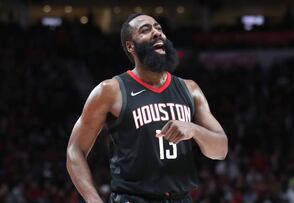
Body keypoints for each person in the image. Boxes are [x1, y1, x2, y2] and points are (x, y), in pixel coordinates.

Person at [66, 13, 228, 203]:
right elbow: (75, 150)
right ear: (130, 46)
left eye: (159, 28)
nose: (157, 33)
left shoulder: (190, 89)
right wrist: (94, 200)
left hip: (181, 198)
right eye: (146, 30)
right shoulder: (110, 90)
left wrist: (194, 130)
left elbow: (221, 149)